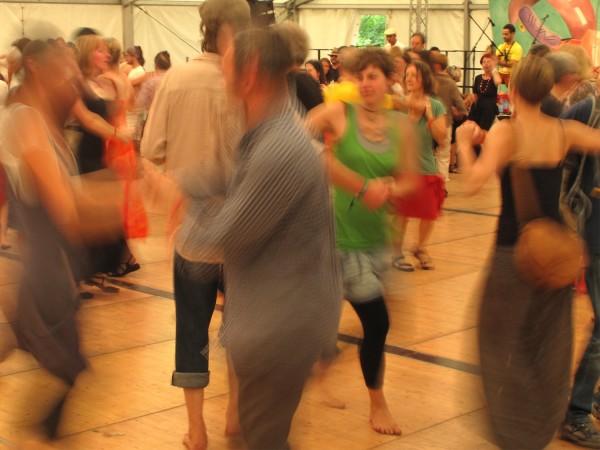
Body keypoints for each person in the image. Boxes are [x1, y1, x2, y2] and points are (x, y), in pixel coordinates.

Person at [145, 25, 342, 449]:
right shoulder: (262, 132)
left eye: (227, 65)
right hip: (274, 320)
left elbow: (226, 233)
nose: (220, 74)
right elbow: (223, 170)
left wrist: (178, 211)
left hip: (284, 326)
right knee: (256, 435)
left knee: (261, 439)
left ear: (250, 72)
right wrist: (178, 183)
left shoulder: (279, 148)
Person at [456, 54, 600, 450]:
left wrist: (463, 144)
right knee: (549, 345)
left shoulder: (506, 132)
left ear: (513, 90)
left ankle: (514, 434)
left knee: (500, 344)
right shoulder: (564, 129)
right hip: (555, 256)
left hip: (512, 252)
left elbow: (472, 183)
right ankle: (542, 427)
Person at [0, 39, 123, 447]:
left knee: (64, 364)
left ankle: (42, 429)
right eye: (65, 71)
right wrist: (124, 195)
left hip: (53, 265)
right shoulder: (24, 119)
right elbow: (65, 210)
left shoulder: (44, 118)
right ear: (36, 68)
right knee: (65, 363)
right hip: (43, 269)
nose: (73, 80)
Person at [141, 1, 250, 448]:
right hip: (245, 233)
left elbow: (152, 149)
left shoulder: (177, 79)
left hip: (192, 235)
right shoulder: (249, 84)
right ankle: (234, 415)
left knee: (191, 327)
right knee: (243, 328)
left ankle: (195, 427)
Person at [308, 47, 418, 436]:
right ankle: (378, 404)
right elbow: (302, 139)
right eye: (361, 76)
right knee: (378, 322)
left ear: (390, 80)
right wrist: (356, 181)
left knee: (343, 318)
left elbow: (410, 179)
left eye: (374, 76)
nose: (367, 84)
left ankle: (319, 368)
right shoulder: (339, 114)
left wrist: (389, 187)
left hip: (378, 242)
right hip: (341, 237)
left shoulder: (400, 125)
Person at [559, 96, 600, 448]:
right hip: (595, 234)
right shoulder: (587, 111)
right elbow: (553, 157)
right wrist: (569, 229)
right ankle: (575, 412)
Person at [391, 61, 447, 271]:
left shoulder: (435, 104)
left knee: (428, 212)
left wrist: (429, 116)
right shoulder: (400, 104)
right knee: (401, 214)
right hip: (402, 168)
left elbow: (441, 139)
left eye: (414, 75)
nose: (409, 79)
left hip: (426, 166)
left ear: (423, 78)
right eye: (407, 75)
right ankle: (396, 252)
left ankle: (420, 248)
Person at [431, 52, 467, 182]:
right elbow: (461, 105)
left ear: (435, 65)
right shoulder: (450, 84)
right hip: (446, 124)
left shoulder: (429, 81)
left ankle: (430, 184)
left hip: (428, 123)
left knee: (429, 155)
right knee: (443, 156)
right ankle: (441, 185)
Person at [465, 53, 502, 156]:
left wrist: (493, 69)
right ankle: (472, 156)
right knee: (470, 130)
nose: (486, 64)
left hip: (488, 109)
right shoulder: (478, 78)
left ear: (493, 63)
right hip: (477, 108)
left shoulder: (495, 75)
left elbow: (498, 81)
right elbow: (475, 94)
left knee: (482, 133)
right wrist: (469, 102)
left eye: (488, 62)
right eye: (484, 62)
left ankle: (482, 157)